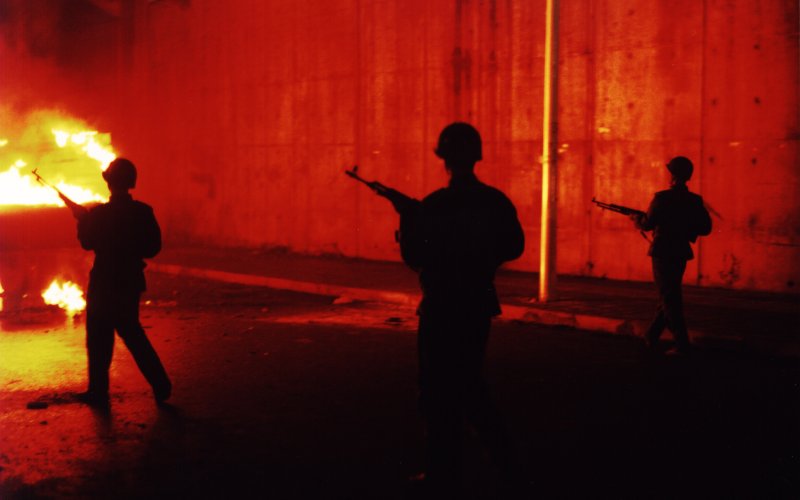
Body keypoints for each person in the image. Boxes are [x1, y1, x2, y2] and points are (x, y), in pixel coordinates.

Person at [398, 122, 525, 495]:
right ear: (476, 157)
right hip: (476, 304)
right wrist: (482, 256)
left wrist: (408, 219)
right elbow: (514, 246)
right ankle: (505, 464)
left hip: (441, 305)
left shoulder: (435, 205)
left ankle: (444, 471)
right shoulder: (494, 201)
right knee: (469, 382)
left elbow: (415, 256)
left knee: (436, 389)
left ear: (445, 160)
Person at [75, 157, 171, 406]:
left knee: (99, 337)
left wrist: (82, 220)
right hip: (129, 280)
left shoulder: (99, 215)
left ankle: (98, 391)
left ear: (109, 183)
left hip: (104, 281)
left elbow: (87, 243)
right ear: (131, 182)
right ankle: (161, 384)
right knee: (133, 333)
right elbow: (153, 248)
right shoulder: (143, 212)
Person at [631, 156, 712, 355]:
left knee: (669, 297)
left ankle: (682, 343)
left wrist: (636, 220)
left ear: (673, 176)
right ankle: (651, 335)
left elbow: (647, 224)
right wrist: (684, 227)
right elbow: (706, 228)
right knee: (669, 294)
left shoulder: (662, 198)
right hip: (680, 251)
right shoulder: (694, 200)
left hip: (662, 251)